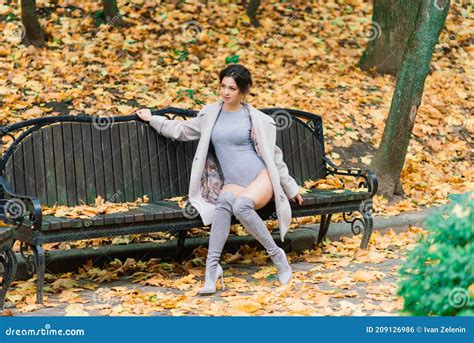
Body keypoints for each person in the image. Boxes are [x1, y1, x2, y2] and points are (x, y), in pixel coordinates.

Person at [135, 64, 303, 295]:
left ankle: (277, 255)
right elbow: (182, 131)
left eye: (232, 88)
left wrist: (291, 188)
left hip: (259, 176)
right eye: (222, 86)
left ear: (242, 91)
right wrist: (152, 119)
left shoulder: (254, 118)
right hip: (233, 180)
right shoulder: (210, 113)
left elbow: (273, 156)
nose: (225, 92)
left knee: (242, 206)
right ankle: (211, 271)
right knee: (224, 205)